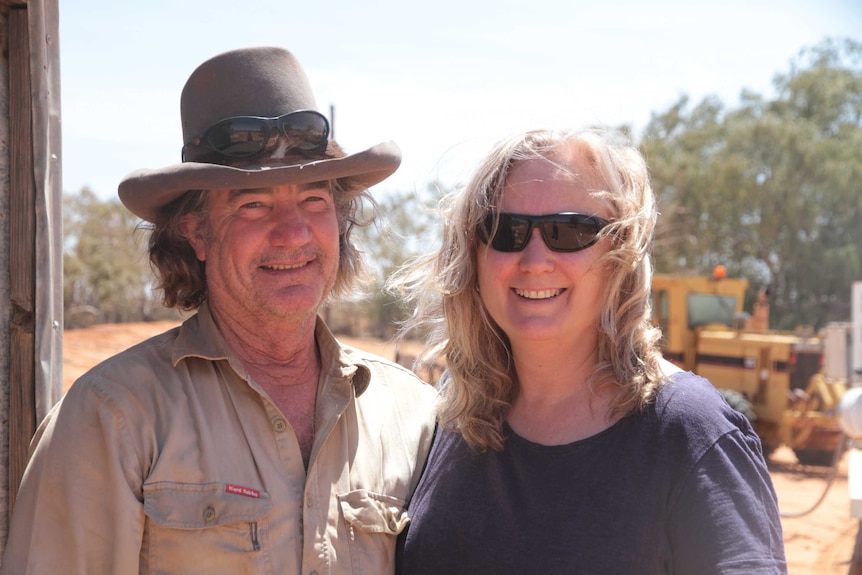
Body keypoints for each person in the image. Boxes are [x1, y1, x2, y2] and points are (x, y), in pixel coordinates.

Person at [1, 47, 437, 575]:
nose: (294, 233)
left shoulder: (413, 415)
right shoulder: (113, 417)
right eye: (253, 204)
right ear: (196, 232)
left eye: (315, 201)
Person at [390, 128, 787, 574]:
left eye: (569, 231)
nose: (535, 258)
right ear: (474, 254)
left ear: (621, 254)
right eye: (506, 230)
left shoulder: (691, 434)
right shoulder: (455, 413)